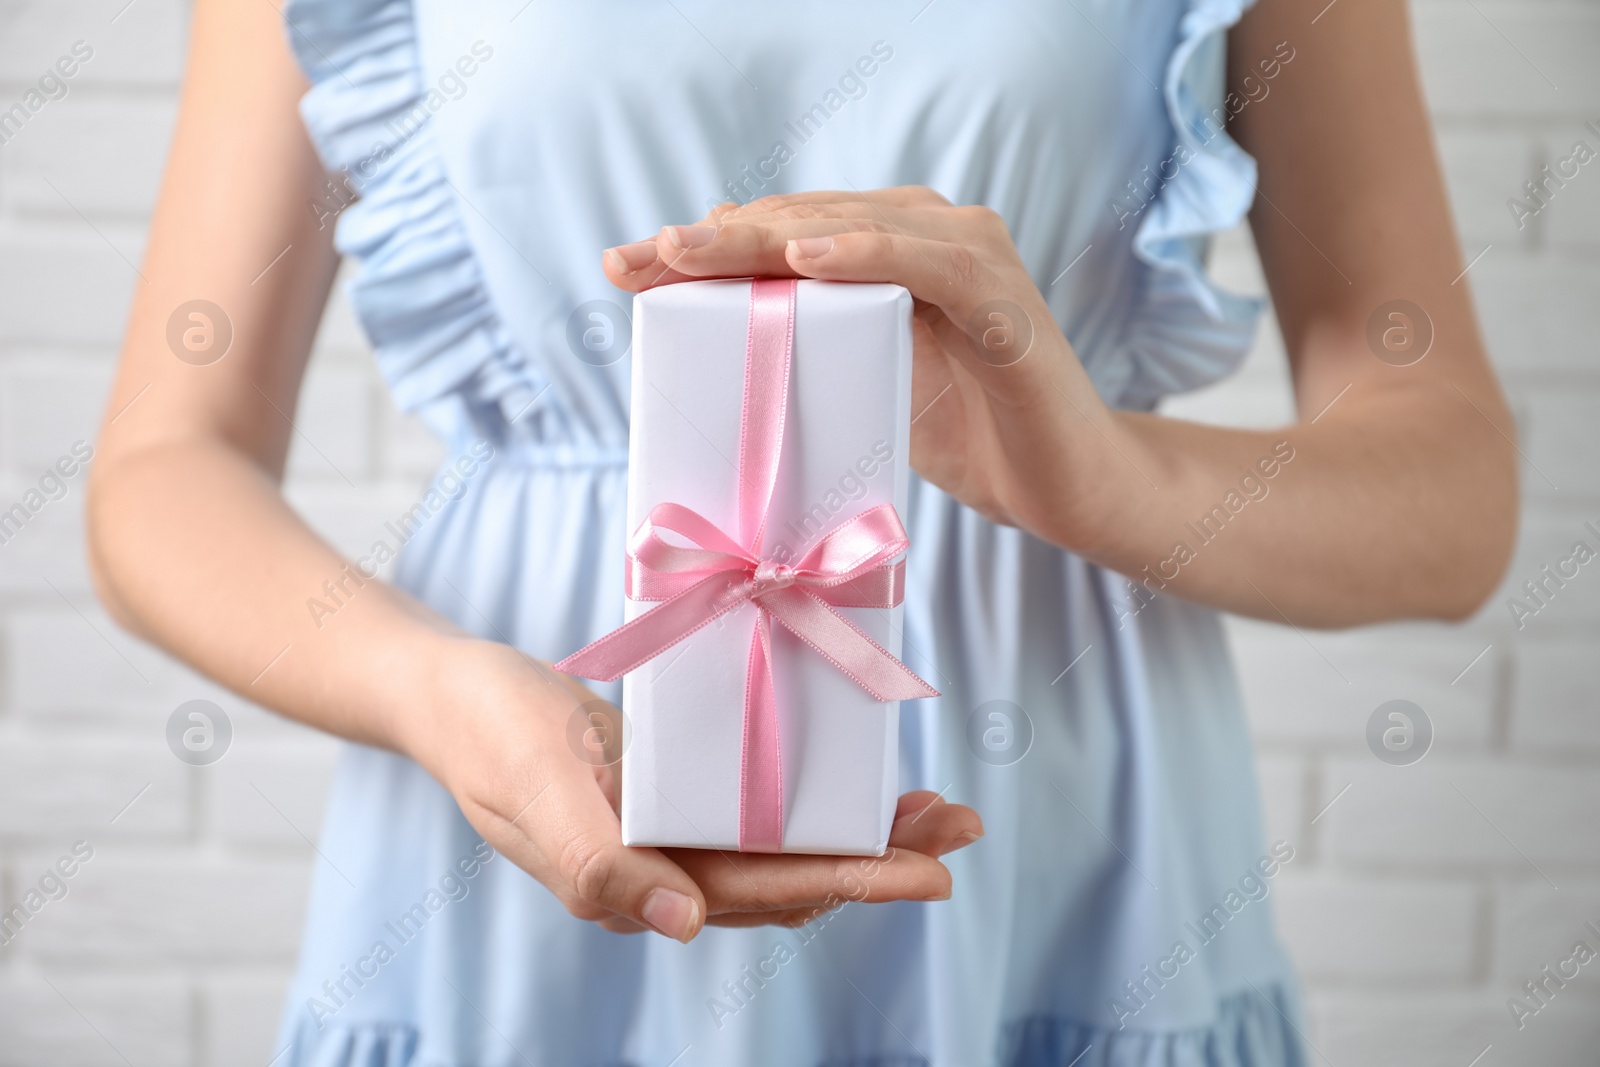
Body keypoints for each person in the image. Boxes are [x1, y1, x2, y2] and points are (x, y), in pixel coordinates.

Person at [86, 0, 1516, 1062]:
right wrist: (433, 693)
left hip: (1073, 861)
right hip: (501, 830)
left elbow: (1451, 500)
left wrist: (1101, 479)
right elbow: (165, 464)